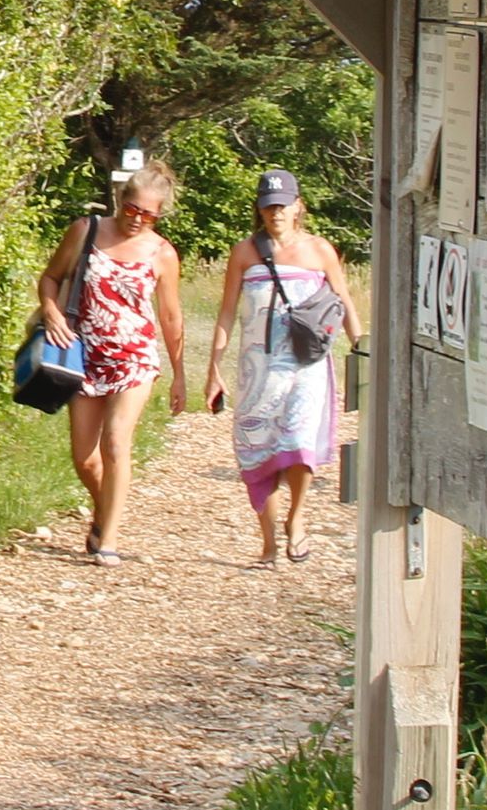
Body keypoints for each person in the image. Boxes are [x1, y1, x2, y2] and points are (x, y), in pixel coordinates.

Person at [34, 163, 186, 563]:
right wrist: (50, 312)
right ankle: (105, 511)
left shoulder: (162, 253)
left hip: (134, 357)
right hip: (83, 354)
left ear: (159, 215)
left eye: (149, 215)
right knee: (84, 457)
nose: (138, 220)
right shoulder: (86, 230)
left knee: (116, 441)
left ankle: (110, 539)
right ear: (120, 201)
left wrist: (179, 374)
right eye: (132, 209)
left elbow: (171, 316)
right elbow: (50, 277)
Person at [203, 168, 355, 565]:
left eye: (283, 206)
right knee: (259, 451)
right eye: (269, 206)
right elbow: (226, 313)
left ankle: (298, 517)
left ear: (298, 207)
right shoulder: (244, 252)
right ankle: (268, 543)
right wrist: (214, 367)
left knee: (300, 442)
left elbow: (343, 298)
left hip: (307, 364)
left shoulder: (320, 250)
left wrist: (361, 345)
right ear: (260, 209)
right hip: (259, 368)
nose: (276, 213)